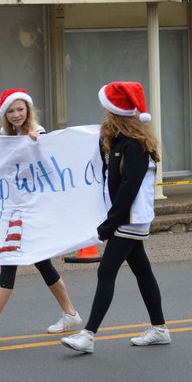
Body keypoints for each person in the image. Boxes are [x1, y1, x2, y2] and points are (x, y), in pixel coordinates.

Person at [0, 88, 81, 339]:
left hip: (33, 212)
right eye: (11, 111)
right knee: (42, 262)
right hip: (16, 210)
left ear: (28, 110)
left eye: (20, 109)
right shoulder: (7, 138)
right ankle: (70, 313)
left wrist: (39, 146)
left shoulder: (40, 134)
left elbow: (53, 169)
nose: (16, 115)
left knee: (9, 261)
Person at [61, 81, 170, 354]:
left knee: (106, 270)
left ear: (113, 111)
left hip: (130, 217)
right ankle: (159, 329)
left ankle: (88, 335)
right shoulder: (118, 140)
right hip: (127, 217)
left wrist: (108, 226)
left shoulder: (133, 146)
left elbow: (128, 188)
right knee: (142, 270)